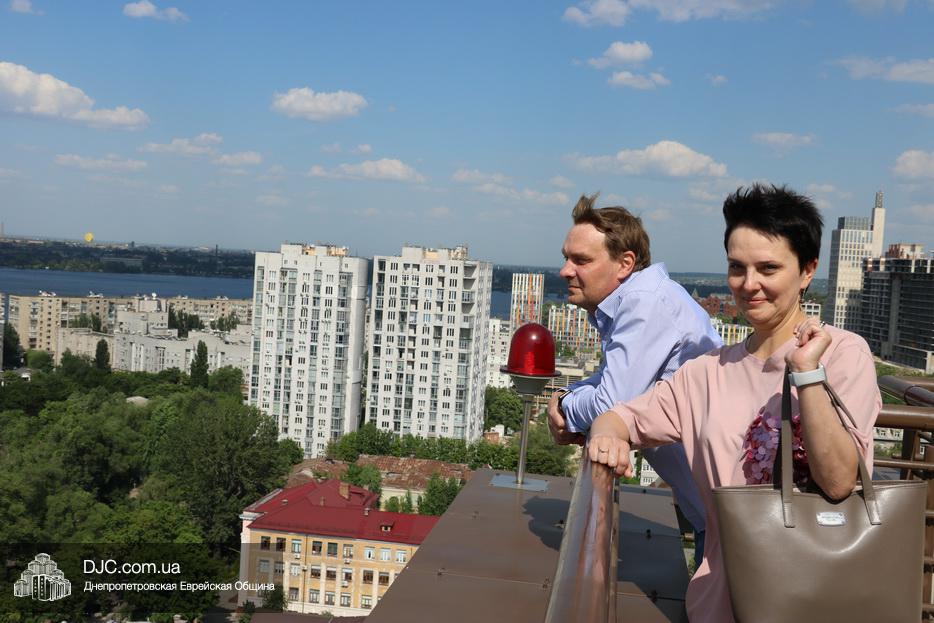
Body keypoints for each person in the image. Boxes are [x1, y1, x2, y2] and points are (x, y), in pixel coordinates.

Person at [588, 184, 881, 623]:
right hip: (722, 603)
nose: (749, 284)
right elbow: (620, 417)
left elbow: (839, 482)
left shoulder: (843, 355)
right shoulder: (706, 373)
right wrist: (608, 435)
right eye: (736, 267)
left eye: (768, 268)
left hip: (819, 599)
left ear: (807, 271)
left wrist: (806, 373)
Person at [547, 193, 722, 562]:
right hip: (714, 511)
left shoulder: (645, 302)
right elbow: (610, 381)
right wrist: (568, 396)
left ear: (625, 263)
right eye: (566, 257)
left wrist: (564, 407)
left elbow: (612, 404)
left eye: (581, 260)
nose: (565, 270)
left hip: (726, 521)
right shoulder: (641, 298)